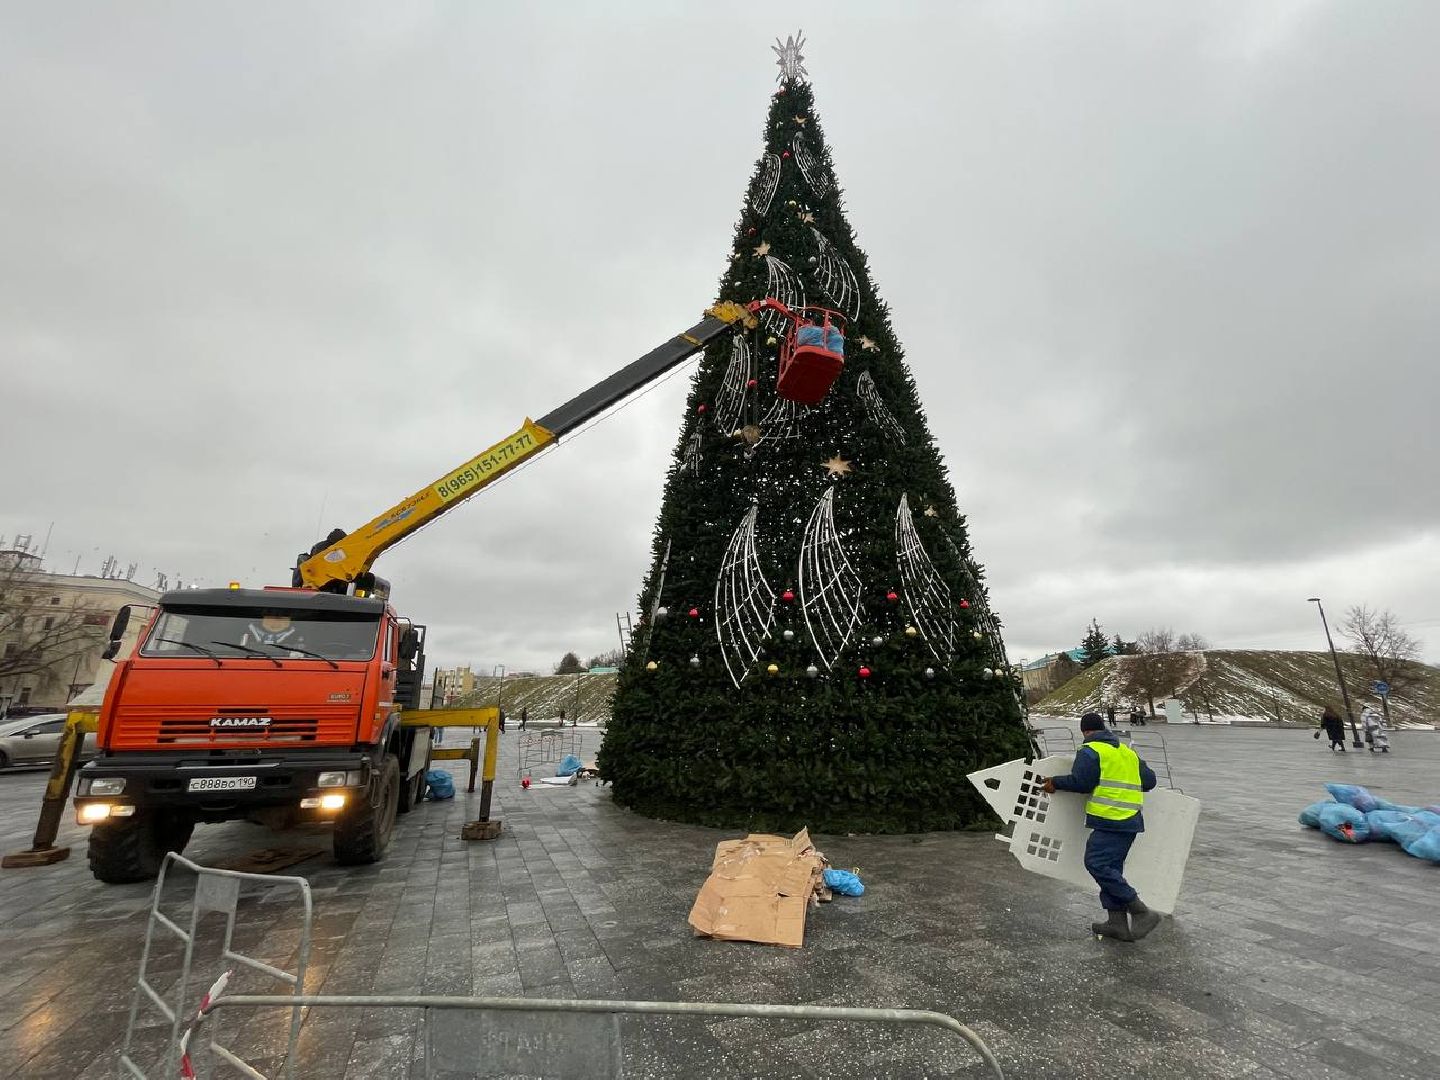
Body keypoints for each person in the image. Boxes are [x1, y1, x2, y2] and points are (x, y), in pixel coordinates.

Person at [1040, 712, 1160, 942]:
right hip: (1131, 821)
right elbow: (1149, 781)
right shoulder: (1127, 752)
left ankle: (1140, 911)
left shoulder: (1090, 750)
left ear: (1085, 732)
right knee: (1112, 870)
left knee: (1096, 863)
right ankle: (1117, 924)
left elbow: (1082, 782)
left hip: (1109, 820)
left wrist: (1055, 782)